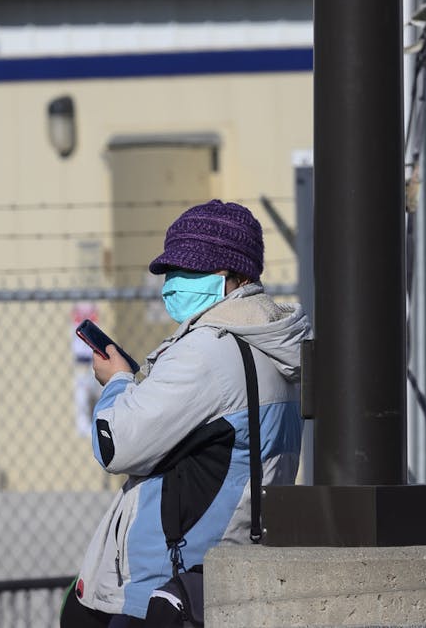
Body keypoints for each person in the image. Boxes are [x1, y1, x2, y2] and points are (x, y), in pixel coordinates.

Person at [60, 200, 311, 626]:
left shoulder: (207, 351)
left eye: (192, 271)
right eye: (171, 272)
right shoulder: (271, 344)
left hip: (167, 585)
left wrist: (118, 381)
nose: (174, 283)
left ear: (235, 278)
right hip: (222, 575)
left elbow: (114, 445)